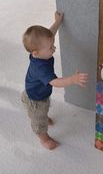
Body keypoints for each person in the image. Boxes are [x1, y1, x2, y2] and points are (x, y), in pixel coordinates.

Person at [21, 11, 88, 150]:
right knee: (38, 121)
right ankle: (44, 139)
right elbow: (55, 82)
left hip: (40, 93)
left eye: (53, 44)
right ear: (36, 53)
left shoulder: (39, 52)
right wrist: (72, 79)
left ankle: (44, 117)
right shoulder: (40, 68)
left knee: (44, 109)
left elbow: (50, 34)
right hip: (35, 100)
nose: (54, 48)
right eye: (51, 47)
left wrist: (57, 21)